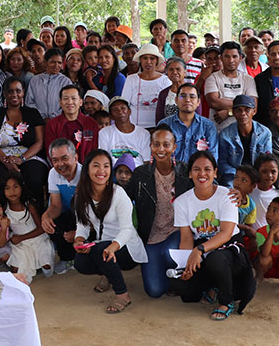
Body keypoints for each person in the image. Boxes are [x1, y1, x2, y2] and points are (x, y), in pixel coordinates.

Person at [168, 151, 253, 321]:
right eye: (196, 169)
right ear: (190, 174)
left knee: (216, 259)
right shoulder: (181, 202)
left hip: (230, 249)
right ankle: (212, 287)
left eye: (207, 169)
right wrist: (186, 265)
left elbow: (226, 233)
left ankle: (226, 301)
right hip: (203, 248)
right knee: (183, 288)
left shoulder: (227, 195)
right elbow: (186, 237)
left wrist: (199, 250)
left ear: (215, 172)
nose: (202, 174)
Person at [72, 149, 148, 313]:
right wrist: (79, 240)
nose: (101, 171)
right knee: (80, 262)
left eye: (106, 166)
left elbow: (127, 229)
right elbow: (82, 225)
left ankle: (122, 294)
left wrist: (114, 246)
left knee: (101, 250)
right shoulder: (81, 196)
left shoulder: (118, 193)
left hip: (126, 248)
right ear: (87, 169)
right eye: (96, 166)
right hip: (102, 246)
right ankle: (108, 273)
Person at [126, 125, 193, 298]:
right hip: (151, 236)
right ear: (151, 147)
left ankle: (175, 274)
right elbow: (124, 199)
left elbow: (207, 189)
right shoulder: (140, 174)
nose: (161, 149)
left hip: (177, 231)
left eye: (166, 144)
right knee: (155, 291)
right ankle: (166, 275)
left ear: (174, 147)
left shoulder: (186, 172)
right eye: (156, 144)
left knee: (169, 255)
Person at [0, 173, 54, 281]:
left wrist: (22, 237)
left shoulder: (28, 205)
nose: (12, 191)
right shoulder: (4, 208)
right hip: (20, 243)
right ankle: (31, 265)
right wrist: (16, 239)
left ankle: (40, 265)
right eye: (8, 188)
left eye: (15, 187)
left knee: (46, 266)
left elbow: (42, 228)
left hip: (37, 238)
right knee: (16, 269)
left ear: (21, 188)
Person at [39, 139, 80, 274]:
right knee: (52, 223)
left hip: (86, 216)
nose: (60, 164)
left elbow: (93, 212)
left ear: (75, 157)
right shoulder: (53, 173)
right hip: (67, 214)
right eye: (55, 160)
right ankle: (67, 258)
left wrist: (79, 233)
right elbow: (56, 205)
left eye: (64, 158)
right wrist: (46, 216)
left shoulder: (86, 174)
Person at [217, 95, 273, 187]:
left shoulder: (265, 133)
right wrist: (240, 177)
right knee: (230, 196)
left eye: (247, 110)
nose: (243, 113)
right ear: (234, 112)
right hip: (233, 178)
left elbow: (267, 162)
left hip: (258, 178)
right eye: (239, 110)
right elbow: (223, 163)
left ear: (254, 111)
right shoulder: (225, 135)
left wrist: (252, 177)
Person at [158, 84, 218, 163]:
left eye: (192, 96)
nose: (187, 100)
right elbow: (160, 154)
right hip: (172, 172)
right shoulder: (165, 124)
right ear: (176, 100)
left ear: (198, 102)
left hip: (198, 172)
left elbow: (213, 156)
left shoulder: (208, 126)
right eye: (183, 96)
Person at [205, 41, 257, 132]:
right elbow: (213, 102)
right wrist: (243, 104)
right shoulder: (212, 78)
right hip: (217, 132)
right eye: (227, 56)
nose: (231, 60)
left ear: (240, 58)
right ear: (221, 58)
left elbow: (253, 104)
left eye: (234, 56)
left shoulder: (248, 79)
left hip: (243, 132)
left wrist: (229, 112)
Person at [44, 85, 99, 163]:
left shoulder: (91, 123)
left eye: (73, 98)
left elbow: (95, 150)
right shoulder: (53, 124)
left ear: (80, 102)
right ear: (60, 102)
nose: (70, 102)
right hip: (62, 169)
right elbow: (51, 152)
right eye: (66, 98)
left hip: (87, 169)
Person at [120, 43, 169, 128]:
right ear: (140, 60)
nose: (148, 62)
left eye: (152, 58)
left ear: (157, 60)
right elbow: (124, 104)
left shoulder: (165, 81)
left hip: (158, 128)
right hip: (135, 127)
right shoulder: (131, 79)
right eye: (145, 58)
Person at [99, 97, 151, 164]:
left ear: (129, 111)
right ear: (111, 116)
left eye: (123, 108)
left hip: (137, 172)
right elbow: (104, 159)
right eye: (115, 110)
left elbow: (146, 161)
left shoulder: (144, 134)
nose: (120, 111)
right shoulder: (104, 133)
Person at [23, 48, 71, 120]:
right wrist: (42, 116)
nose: (56, 65)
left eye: (59, 63)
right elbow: (29, 102)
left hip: (59, 121)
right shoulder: (35, 80)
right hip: (38, 121)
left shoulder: (65, 81)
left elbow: (69, 102)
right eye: (53, 62)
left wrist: (54, 117)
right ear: (45, 62)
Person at [155, 56, 187, 122]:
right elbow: (159, 118)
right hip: (168, 130)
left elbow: (198, 116)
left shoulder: (193, 91)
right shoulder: (164, 94)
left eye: (178, 69)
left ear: (185, 72)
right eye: (171, 69)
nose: (174, 72)